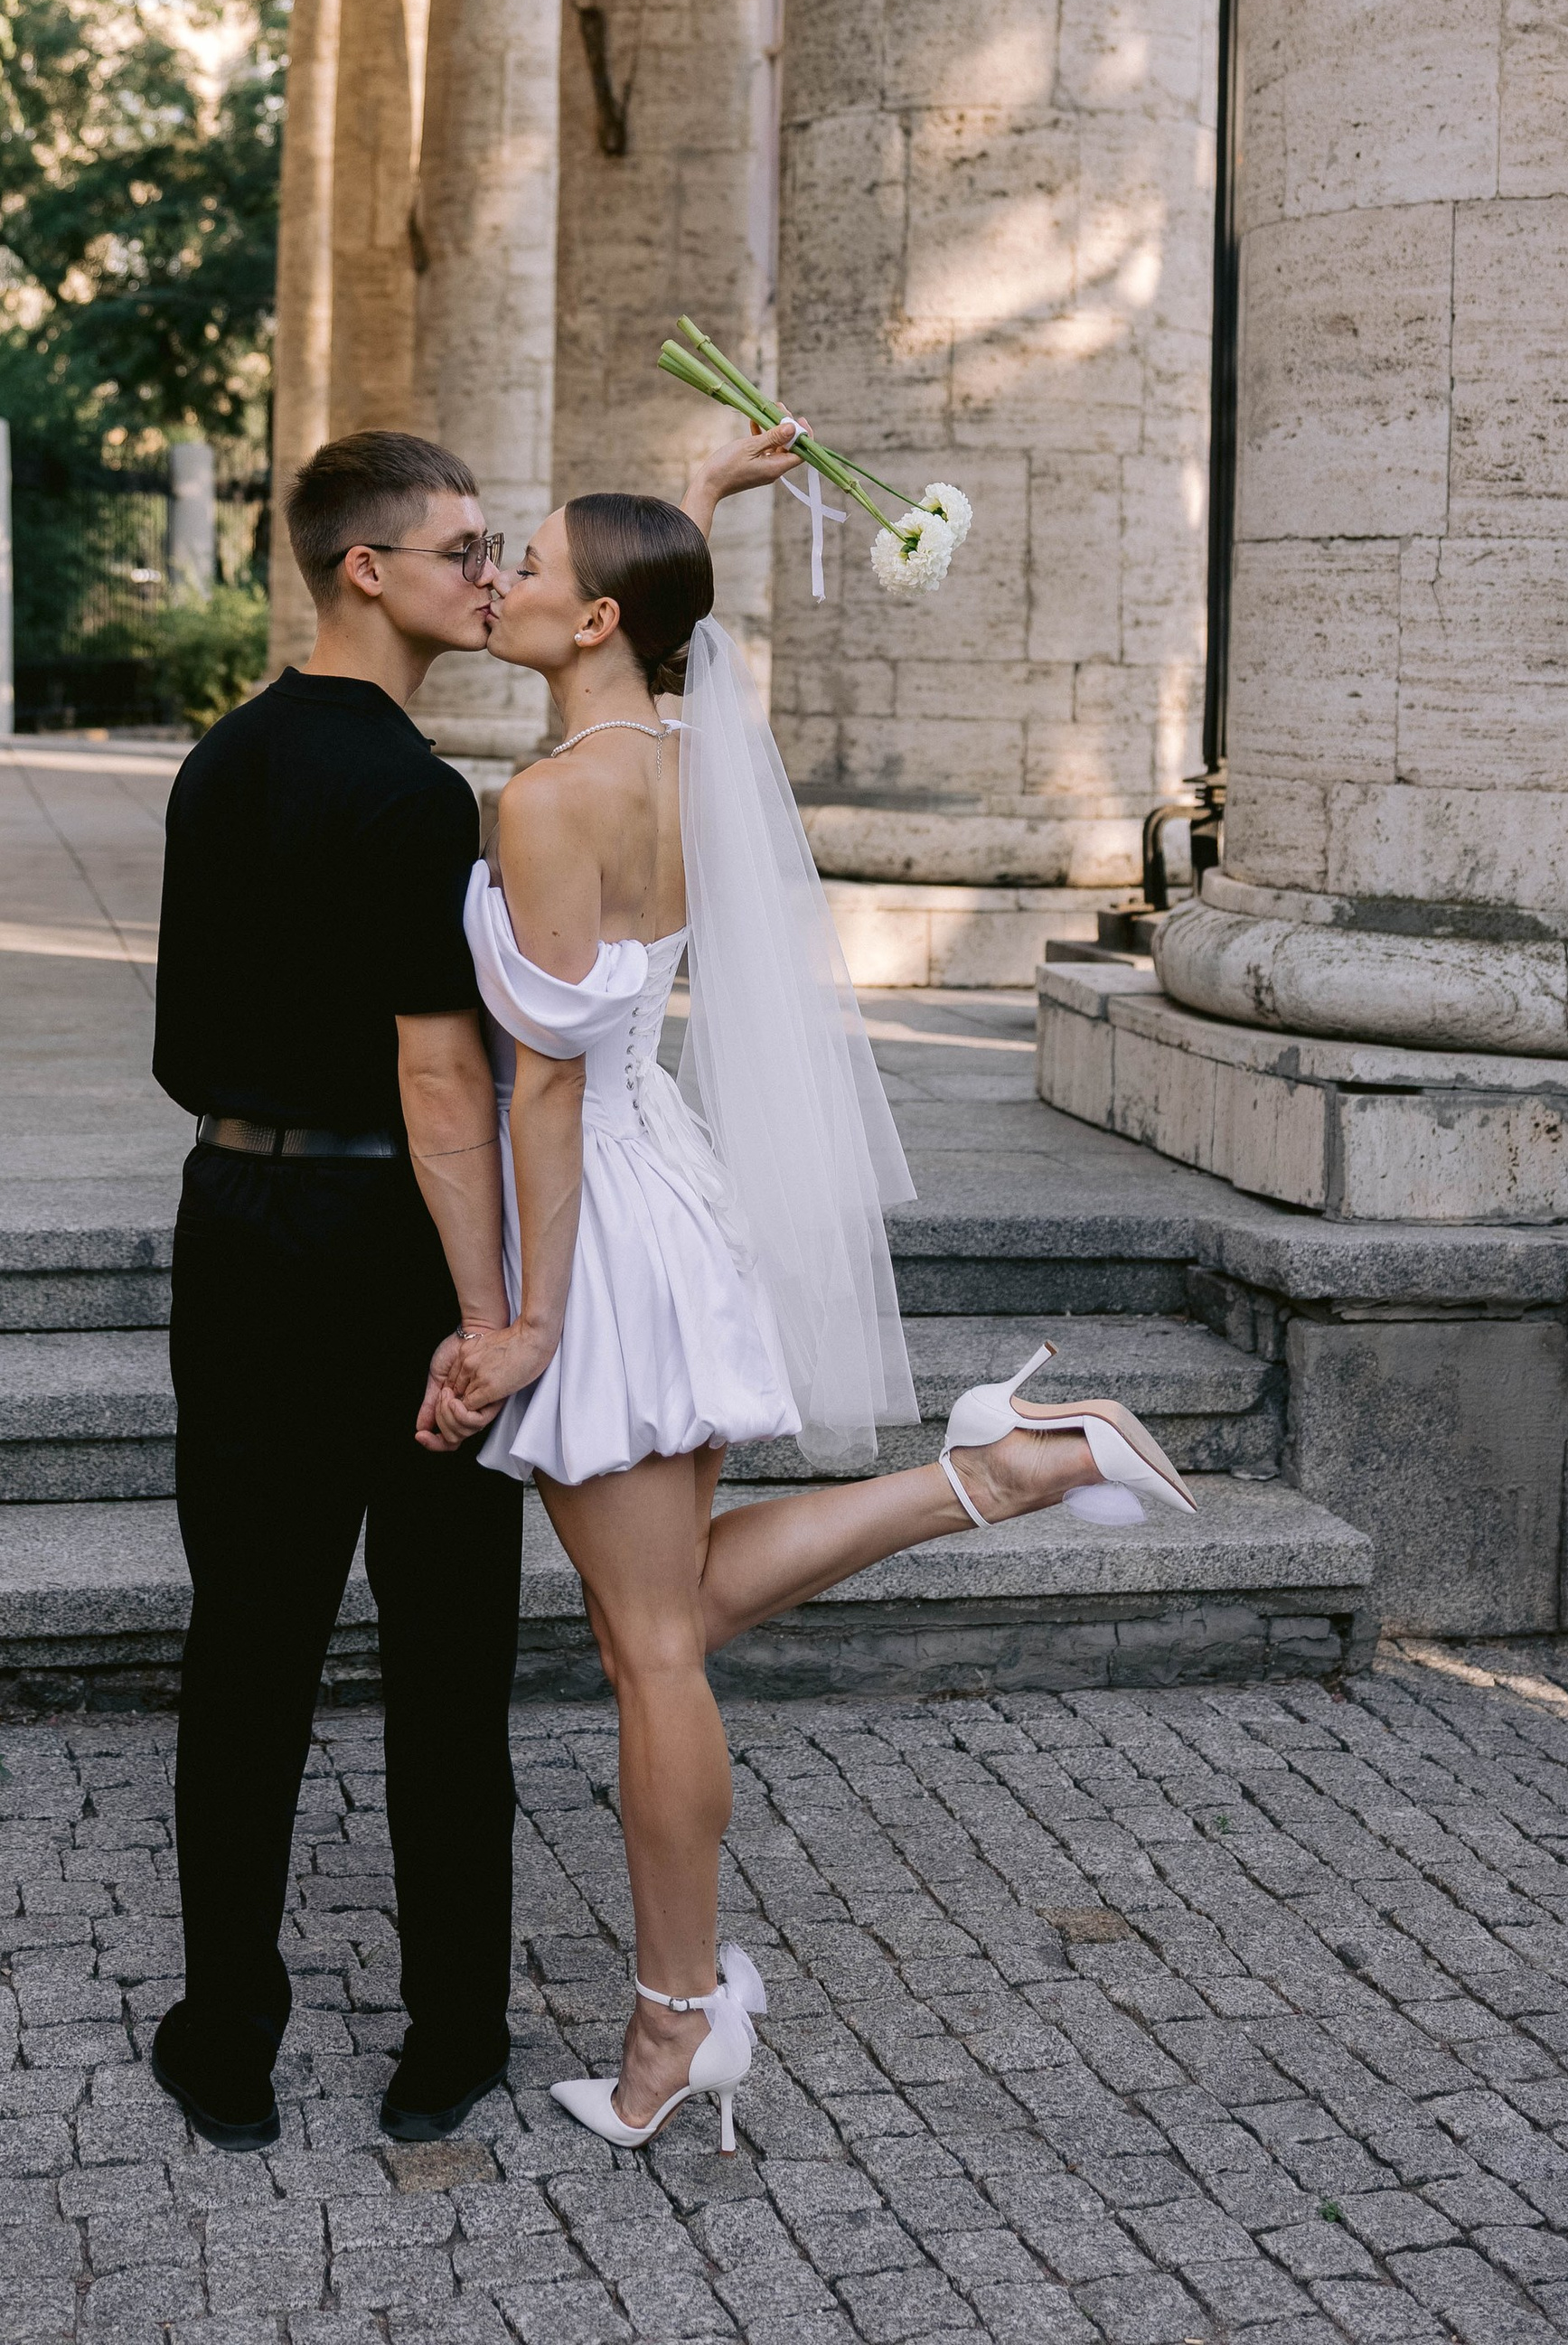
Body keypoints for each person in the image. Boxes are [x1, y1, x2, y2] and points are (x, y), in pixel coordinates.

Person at [422, 427, 1197, 2155]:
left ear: (599, 616)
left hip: (602, 1220)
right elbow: (670, 630)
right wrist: (695, 501)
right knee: (673, 1617)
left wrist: (526, 1319)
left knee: (652, 1659)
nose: (504, 584)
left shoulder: (543, 803)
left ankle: (679, 2016)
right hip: (670, 1186)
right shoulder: (688, 751)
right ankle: (1003, 1467)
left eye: (531, 566)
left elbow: (540, 1087)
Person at [150, 428, 525, 2150]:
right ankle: (451, 2036)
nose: (491, 573)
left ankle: (224, 2036)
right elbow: (443, 1085)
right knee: (445, 1653)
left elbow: (177, 1049)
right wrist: (490, 1316)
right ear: (364, 569)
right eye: (463, 547)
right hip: (390, 1250)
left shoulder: (216, 766)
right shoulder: (418, 794)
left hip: (233, 1219)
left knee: (250, 1646)